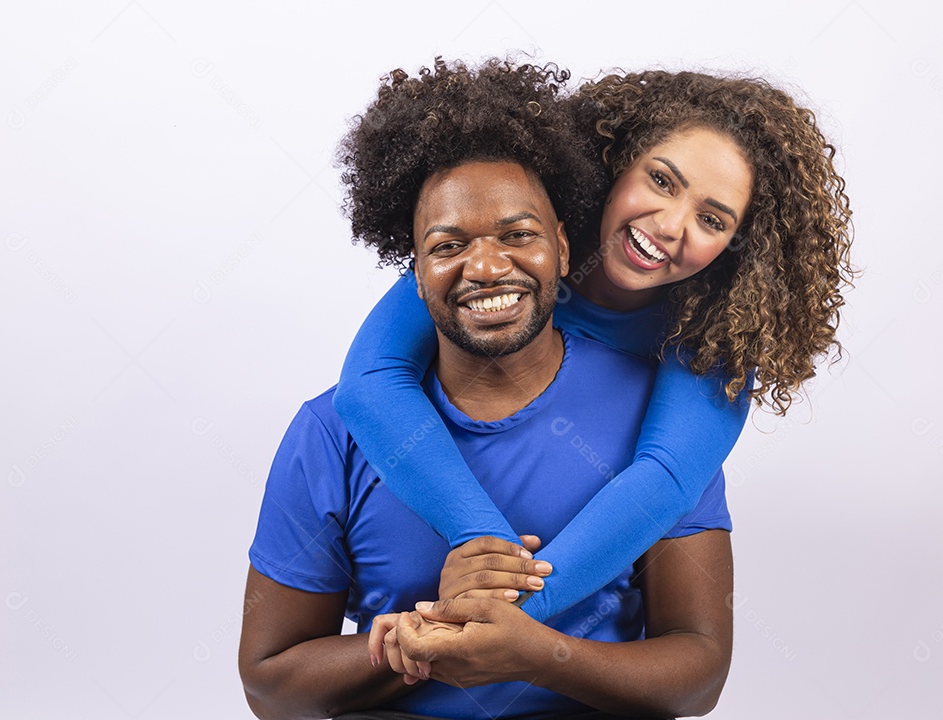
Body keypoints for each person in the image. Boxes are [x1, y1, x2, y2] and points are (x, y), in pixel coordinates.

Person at [239, 59, 733, 718]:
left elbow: (698, 674)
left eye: (517, 235)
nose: (487, 266)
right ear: (412, 273)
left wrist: (525, 641)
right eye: (448, 246)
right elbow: (269, 685)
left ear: (561, 243)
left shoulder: (668, 409)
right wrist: (419, 641)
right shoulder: (333, 431)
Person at [333, 64, 855, 622]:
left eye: (711, 219)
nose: (670, 224)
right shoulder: (514, 240)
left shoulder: (712, 335)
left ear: (736, 246)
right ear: (617, 162)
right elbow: (368, 384)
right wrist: (485, 544)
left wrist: (512, 615)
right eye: (661, 180)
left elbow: (664, 481)